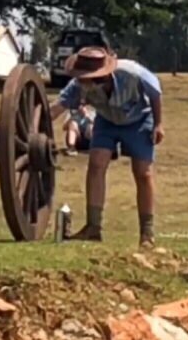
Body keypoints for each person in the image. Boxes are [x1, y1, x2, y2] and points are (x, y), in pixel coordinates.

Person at [49, 47, 164, 249]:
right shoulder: (77, 86)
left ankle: (147, 234)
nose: (79, 81)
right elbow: (57, 108)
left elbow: (155, 93)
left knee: (143, 173)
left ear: (99, 77)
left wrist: (158, 125)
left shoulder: (131, 72)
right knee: (96, 165)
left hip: (139, 120)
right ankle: (93, 228)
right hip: (107, 121)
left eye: (84, 78)